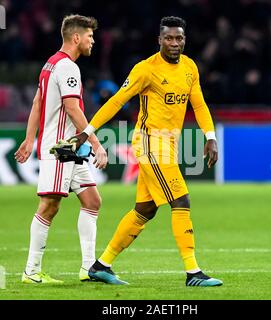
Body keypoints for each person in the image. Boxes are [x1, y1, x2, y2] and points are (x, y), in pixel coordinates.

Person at [72, 16, 223, 287]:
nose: (174, 43)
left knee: (144, 210)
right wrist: (88, 130)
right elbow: (118, 100)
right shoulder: (145, 69)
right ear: (159, 40)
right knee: (181, 201)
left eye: (179, 38)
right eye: (169, 38)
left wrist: (210, 137)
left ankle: (101, 265)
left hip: (170, 144)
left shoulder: (189, 67)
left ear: (184, 40)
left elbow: (199, 106)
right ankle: (193, 272)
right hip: (150, 143)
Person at [14, 14, 107, 284]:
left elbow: (36, 102)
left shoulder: (50, 64)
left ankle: (88, 268)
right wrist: (96, 143)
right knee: (49, 205)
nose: (93, 41)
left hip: (68, 149)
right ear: (76, 38)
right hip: (60, 149)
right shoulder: (67, 67)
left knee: (92, 200)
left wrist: (30, 139)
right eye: (90, 36)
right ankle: (31, 271)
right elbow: (72, 108)